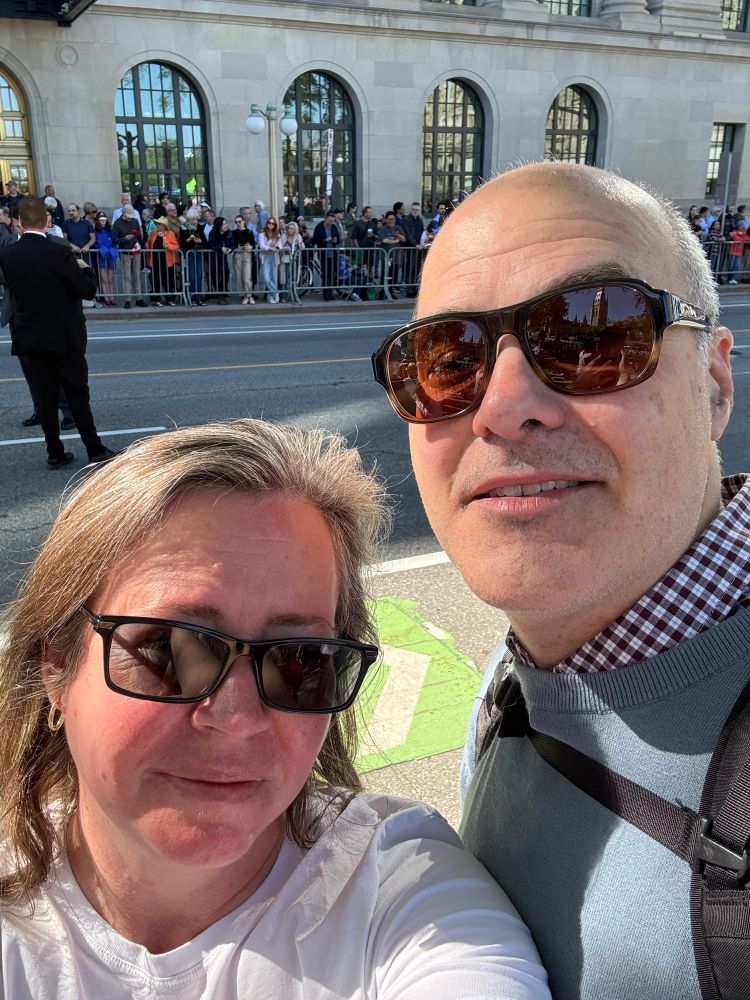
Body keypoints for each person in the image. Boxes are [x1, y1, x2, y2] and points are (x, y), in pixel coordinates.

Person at [0, 418, 550, 1000]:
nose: (235, 716)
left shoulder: (401, 893)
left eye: (300, 660)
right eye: (169, 649)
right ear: (57, 667)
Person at [370, 161, 744, 1000]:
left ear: (714, 384)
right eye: (447, 360)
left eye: (593, 335)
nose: (502, 406)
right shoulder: (523, 675)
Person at [0, 196, 116, 468]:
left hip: (29, 334)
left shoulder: (7, 254)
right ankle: (94, 448)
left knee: (45, 395)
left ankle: (54, 451)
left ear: (19, 223)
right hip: (64, 335)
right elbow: (86, 290)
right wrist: (86, 270)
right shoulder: (59, 250)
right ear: (47, 220)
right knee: (77, 392)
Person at [112, 204, 147, 308]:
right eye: (128, 215)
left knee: (137, 275)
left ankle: (139, 298)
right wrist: (125, 238)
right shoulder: (117, 224)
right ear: (123, 213)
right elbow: (115, 239)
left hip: (136, 251)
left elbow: (139, 235)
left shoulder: (135, 221)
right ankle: (127, 300)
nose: (130, 217)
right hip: (125, 252)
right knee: (127, 276)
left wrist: (139, 242)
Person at [146, 217, 179, 306]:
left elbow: (175, 246)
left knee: (168, 280)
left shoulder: (170, 233)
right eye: (157, 224)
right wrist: (146, 246)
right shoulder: (153, 233)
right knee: (155, 280)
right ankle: (156, 299)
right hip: (155, 261)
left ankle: (170, 299)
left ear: (164, 226)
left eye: (159, 224)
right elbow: (149, 243)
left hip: (167, 261)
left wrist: (167, 246)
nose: (158, 226)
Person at [92, 211, 119, 306]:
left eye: (104, 219)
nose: (103, 221)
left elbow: (114, 240)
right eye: (101, 219)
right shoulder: (95, 231)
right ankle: (106, 298)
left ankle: (112, 297)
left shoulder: (110, 230)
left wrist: (113, 248)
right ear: (98, 221)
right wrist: (100, 248)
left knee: (110, 279)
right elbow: (94, 243)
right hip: (101, 256)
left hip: (110, 256)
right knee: (104, 279)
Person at [311, 211, 340, 301]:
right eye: (330, 221)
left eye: (333, 221)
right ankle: (326, 294)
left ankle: (330, 293)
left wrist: (336, 240)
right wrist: (324, 240)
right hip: (324, 253)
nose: (331, 223)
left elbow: (338, 238)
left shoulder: (334, 227)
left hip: (333, 253)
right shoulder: (319, 227)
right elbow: (315, 240)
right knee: (326, 274)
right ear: (326, 218)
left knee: (332, 274)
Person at [180, 206, 206, 306]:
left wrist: (200, 241)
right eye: (193, 219)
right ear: (189, 219)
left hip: (198, 253)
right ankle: (192, 298)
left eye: (196, 219)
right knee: (191, 276)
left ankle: (198, 297)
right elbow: (182, 243)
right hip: (189, 254)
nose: (195, 221)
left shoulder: (199, 227)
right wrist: (189, 239)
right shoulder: (184, 227)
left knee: (199, 275)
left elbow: (204, 240)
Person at [231, 213, 256, 304]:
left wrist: (250, 247)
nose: (238, 223)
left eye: (240, 221)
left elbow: (253, 245)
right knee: (239, 276)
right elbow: (233, 245)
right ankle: (243, 296)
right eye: (236, 222)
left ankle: (249, 295)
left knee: (247, 277)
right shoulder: (233, 233)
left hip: (247, 254)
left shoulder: (249, 232)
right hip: (238, 254)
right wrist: (239, 247)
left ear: (243, 222)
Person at [208, 215, 233, 304]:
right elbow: (211, 244)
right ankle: (220, 296)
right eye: (224, 224)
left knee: (225, 276)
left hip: (224, 260)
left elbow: (232, 244)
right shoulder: (213, 232)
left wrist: (230, 249)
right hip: (214, 259)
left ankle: (222, 293)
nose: (226, 225)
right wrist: (220, 248)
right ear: (219, 225)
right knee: (215, 277)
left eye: (226, 223)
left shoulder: (229, 233)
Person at [258, 217, 281, 304]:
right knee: (267, 277)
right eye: (269, 223)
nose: (271, 225)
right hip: (265, 256)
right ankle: (276, 292)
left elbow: (280, 244)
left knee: (274, 278)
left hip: (274, 257)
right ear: (267, 223)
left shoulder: (277, 234)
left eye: (273, 224)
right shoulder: (262, 234)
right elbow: (262, 246)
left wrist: (277, 247)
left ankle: (271, 296)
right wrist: (271, 248)